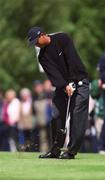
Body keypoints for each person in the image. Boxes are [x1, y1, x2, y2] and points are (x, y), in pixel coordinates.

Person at [27, 27, 89, 159]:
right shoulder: (42, 56)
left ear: (43, 35)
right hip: (63, 87)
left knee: (77, 116)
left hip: (79, 81)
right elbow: (53, 75)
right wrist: (64, 85)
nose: (36, 45)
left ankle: (71, 151)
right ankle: (55, 150)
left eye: (36, 41)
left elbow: (72, 60)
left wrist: (72, 81)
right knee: (56, 115)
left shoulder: (62, 39)